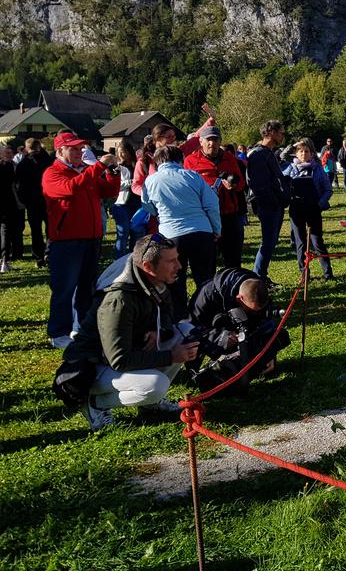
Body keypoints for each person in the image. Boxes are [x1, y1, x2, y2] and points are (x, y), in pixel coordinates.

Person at [64, 234, 200, 431]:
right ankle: (94, 403)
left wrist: (157, 330)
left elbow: (168, 319)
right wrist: (171, 356)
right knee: (156, 384)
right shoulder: (118, 300)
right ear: (148, 266)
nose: (179, 266)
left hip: (125, 353)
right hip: (92, 367)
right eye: (171, 261)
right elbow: (118, 359)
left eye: (177, 258)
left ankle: (149, 404)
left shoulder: (155, 281)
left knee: (185, 334)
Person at [42, 132, 120, 347]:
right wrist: (97, 168)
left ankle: (82, 327)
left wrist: (113, 172)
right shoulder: (52, 173)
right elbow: (70, 189)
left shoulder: (85, 171)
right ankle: (59, 332)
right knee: (64, 289)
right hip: (67, 241)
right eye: (74, 149)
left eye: (80, 148)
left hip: (91, 239)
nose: (79, 152)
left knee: (87, 287)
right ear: (60, 151)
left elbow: (109, 190)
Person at [140, 145, 221, 318]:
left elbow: (147, 205)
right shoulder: (192, 176)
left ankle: (180, 318)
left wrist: (160, 212)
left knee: (175, 278)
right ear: (180, 159)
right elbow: (212, 204)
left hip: (171, 234)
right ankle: (207, 315)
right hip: (201, 230)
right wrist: (216, 228)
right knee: (205, 278)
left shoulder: (151, 180)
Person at [187, 267, 288, 391]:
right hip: (215, 336)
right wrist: (220, 337)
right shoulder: (205, 297)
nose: (254, 313)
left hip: (240, 338)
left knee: (278, 335)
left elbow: (264, 324)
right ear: (239, 298)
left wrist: (270, 355)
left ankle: (253, 363)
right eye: (251, 310)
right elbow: (190, 331)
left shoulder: (257, 289)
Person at [183, 126, 247, 268]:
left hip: (229, 214)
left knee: (233, 258)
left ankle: (232, 287)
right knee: (206, 259)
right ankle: (209, 288)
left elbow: (242, 184)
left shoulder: (229, 158)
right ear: (201, 141)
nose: (212, 143)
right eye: (208, 140)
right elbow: (187, 188)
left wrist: (233, 184)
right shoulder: (191, 161)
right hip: (204, 216)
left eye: (215, 139)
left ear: (220, 141)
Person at [282, 137, 334, 280]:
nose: (303, 154)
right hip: (296, 210)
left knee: (317, 242)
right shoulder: (289, 170)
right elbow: (282, 185)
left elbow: (328, 190)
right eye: (300, 151)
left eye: (306, 151)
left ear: (311, 153)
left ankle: (328, 273)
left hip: (313, 210)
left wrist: (320, 204)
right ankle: (304, 273)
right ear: (296, 154)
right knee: (300, 243)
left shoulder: (318, 170)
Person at [247, 120, 289, 283]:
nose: (283, 135)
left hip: (275, 203)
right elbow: (259, 185)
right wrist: (276, 199)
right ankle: (258, 278)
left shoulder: (268, 152)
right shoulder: (258, 154)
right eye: (281, 132)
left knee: (271, 242)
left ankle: (261, 275)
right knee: (268, 242)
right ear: (271, 132)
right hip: (268, 205)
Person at [14, 138, 51, 268]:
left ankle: (38, 255)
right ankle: (49, 253)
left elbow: (18, 185)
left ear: (27, 148)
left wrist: (23, 200)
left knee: (35, 230)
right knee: (50, 229)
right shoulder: (48, 161)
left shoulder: (23, 164)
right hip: (48, 199)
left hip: (32, 201)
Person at [111, 139, 142, 258]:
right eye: (119, 152)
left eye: (123, 152)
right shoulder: (117, 167)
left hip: (137, 203)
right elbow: (116, 185)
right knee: (123, 232)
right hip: (122, 203)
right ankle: (119, 260)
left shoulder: (138, 165)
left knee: (136, 232)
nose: (121, 155)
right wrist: (132, 182)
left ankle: (134, 258)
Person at [0, 145, 17, 272]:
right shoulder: (8, 166)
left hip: (5, 201)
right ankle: (4, 261)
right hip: (6, 201)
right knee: (5, 231)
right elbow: (13, 181)